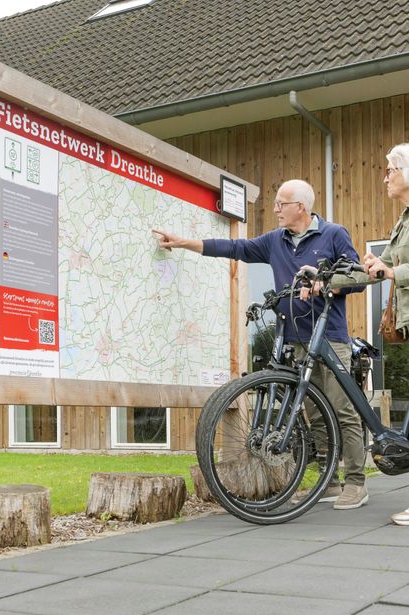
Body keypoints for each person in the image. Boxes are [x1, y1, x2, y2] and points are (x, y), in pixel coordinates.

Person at [153, 179, 369, 510]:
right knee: (315, 411)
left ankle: (356, 482)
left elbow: (356, 277)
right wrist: (185, 243)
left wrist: (325, 283)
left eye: (281, 203)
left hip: (329, 337)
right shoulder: (274, 241)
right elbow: (235, 249)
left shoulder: (333, 234)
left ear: (300, 206)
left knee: (343, 410)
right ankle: (331, 481)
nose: (276, 209)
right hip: (295, 339)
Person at [315, 142, 409, 525]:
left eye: (390, 170)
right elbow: (376, 270)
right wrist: (326, 280)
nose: (385, 177)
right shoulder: (407, 218)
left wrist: (395, 272)